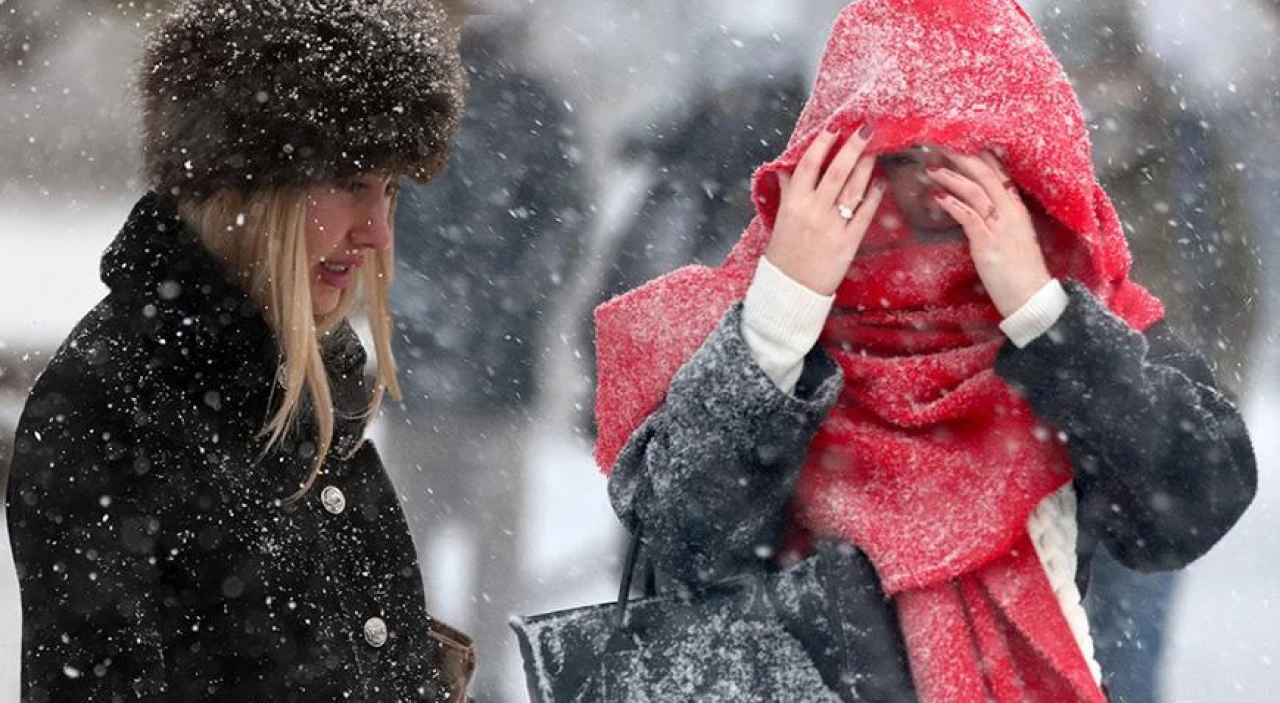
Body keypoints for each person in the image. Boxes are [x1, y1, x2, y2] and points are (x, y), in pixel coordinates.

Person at [593, 0, 1257, 701]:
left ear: (1026, 156)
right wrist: (781, 313)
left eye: (974, 150)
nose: (936, 188)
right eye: (906, 153)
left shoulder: (1069, 310)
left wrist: (1044, 315)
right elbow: (680, 539)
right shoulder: (777, 312)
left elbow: (1192, 504)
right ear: (845, 156)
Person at [4, 1, 478, 699]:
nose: (377, 230)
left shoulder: (310, 381)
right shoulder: (110, 407)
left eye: (391, 191)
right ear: (247, 183)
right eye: (351, 184)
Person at [1036, 3, 1263, 700]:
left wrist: (1210, 389)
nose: (1101, 83)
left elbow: (1238, 279)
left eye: (1109, 62)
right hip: (1050, 441)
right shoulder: (1033, 153)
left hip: (1155, 436)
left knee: (1128, 655)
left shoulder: (1187, 149)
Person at [381, 16, 585, 701]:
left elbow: (561, 223)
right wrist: (413, 295)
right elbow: (375, 220)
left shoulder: (532, 104)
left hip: (491, 376)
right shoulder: (405, 99)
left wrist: (504, 301)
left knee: (476, 545)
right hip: (425, 369)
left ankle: (485, 680)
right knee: (409, 538)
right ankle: (413, 672)